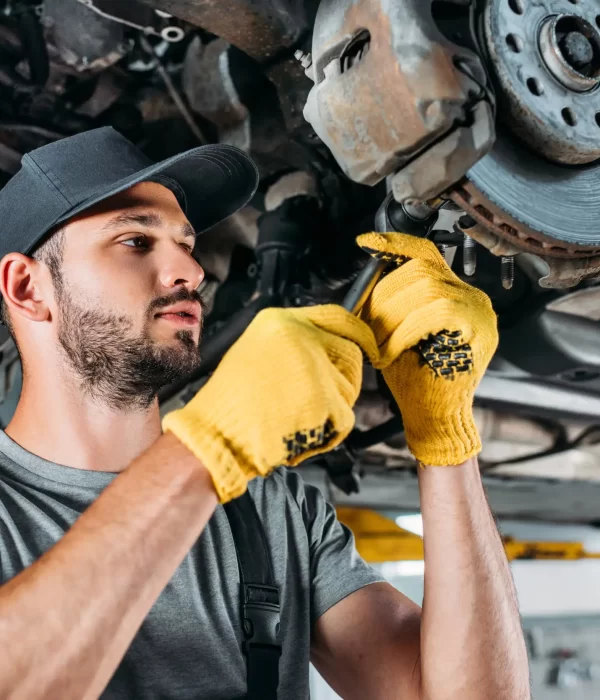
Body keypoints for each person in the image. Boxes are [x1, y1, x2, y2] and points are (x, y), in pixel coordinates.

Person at [0, 127, 530, 700]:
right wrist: (209, 452)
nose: (192, 272)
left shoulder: (274, 511)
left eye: (187, 243)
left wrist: (444, 437)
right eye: (135, 241)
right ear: (27, 287)